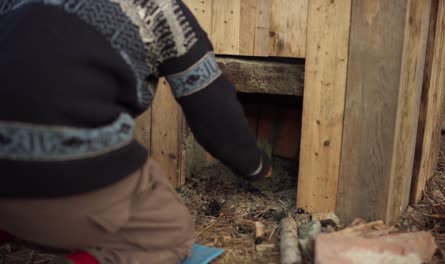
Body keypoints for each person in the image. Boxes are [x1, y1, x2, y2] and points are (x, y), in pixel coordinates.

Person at [0, 0, 272, 263]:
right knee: (171, 232)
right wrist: (256, 166)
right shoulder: (160, 8)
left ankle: (13, 227)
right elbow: (216, 117)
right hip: (68, 183)